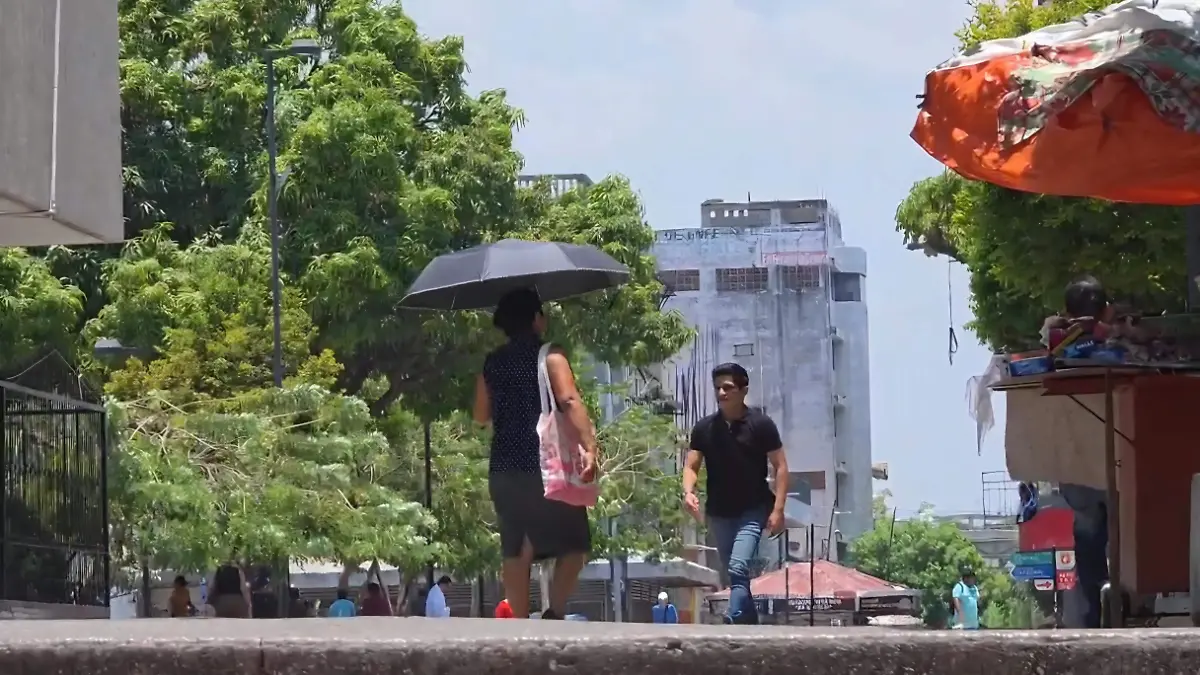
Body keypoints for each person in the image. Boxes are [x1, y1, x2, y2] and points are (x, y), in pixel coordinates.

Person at [473, 288, 597, 620]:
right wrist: (589, 446)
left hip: (503, 465)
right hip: (543, 464)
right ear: (536, 320)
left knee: (516, 546)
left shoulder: (492, 363)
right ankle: (554, 612)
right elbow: (569, 401)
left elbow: (480, 415)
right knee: (575, 544)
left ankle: (518, 619)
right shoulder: (551, 356)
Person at [682, 362, 788, 625]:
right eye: (717, 388)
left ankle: (734, 615)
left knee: (738, 566)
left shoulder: (761, 425)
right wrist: (688, 491)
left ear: (743, 390)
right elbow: (691, 465)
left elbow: (781, 467)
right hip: (719, 511)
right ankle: (748, 620)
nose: (721, 393)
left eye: (728, 387)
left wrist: (778, 509)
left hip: (753, 509)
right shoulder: (705, 428)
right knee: (734, 574)